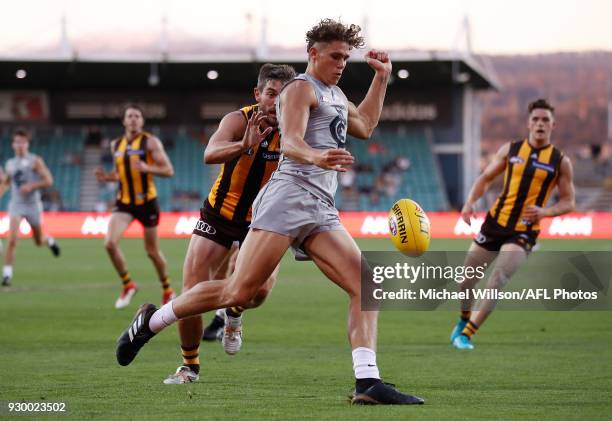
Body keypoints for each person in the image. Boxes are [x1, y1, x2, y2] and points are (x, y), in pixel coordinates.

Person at [116, 19, 424, 405]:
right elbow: (293, 142)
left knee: (365, 285)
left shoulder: (335, 93)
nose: (342, 63)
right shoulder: (299, 89)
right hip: (288, 197)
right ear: (313, 53)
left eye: (346, 56)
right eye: (335, 56)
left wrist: (381, 78)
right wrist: (318, 156)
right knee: (238, 291)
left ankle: (368, 383)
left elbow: (365, 124)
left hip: (320, 206)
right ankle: (151, 322)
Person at [163, 64, 297, 385]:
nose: (277, 102)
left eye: (284, 96)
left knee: (258, 293)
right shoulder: (238, 120)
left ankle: (233, 315)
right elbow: (210, 153)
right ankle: (189, 366)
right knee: (191, 291)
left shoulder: (297, 128)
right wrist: (243, 145)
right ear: (257, 94)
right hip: (220, 215)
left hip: (265, 222)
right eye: (271, 94)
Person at [450, 99, 576, 350]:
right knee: (466, 280)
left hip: (524, 230)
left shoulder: (560, 161)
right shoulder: (511, 150)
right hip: (495, 222)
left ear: (553, 125)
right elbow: (485, 178)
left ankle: (467, 335)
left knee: (498, 278)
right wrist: (469, 203)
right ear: (529, 123)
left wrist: (545, 211)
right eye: (536, 119)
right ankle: (463, 321)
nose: (540, 124)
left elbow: (569, 202)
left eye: (545, 120)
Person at [95, 105, 175, 309]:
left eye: (137, 116)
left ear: (142, 121)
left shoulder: (150, 142)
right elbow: (119, 173)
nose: (133, 119)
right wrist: (107, 177)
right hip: (124, 203)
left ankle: (167, 289)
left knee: (151, 251)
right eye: (129, 116)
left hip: (147, 203)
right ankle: (128, 285)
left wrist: (148, 167)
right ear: (123, 121)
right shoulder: (116, 145)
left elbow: (168, 170)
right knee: (109, 244)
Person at [0, 128, 60, 287]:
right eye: (16, 142)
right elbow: (6, 183)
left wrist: (32, 186)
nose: (19, 145)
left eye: (22, 142)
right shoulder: (10, 164)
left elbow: (49, 180)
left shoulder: (35, 161)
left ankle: (50, 241)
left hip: (33, 204)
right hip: (16, 204)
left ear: (27, 144)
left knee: (38, 241)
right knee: (12, 239)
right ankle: (7, 275)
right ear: (13, 144)